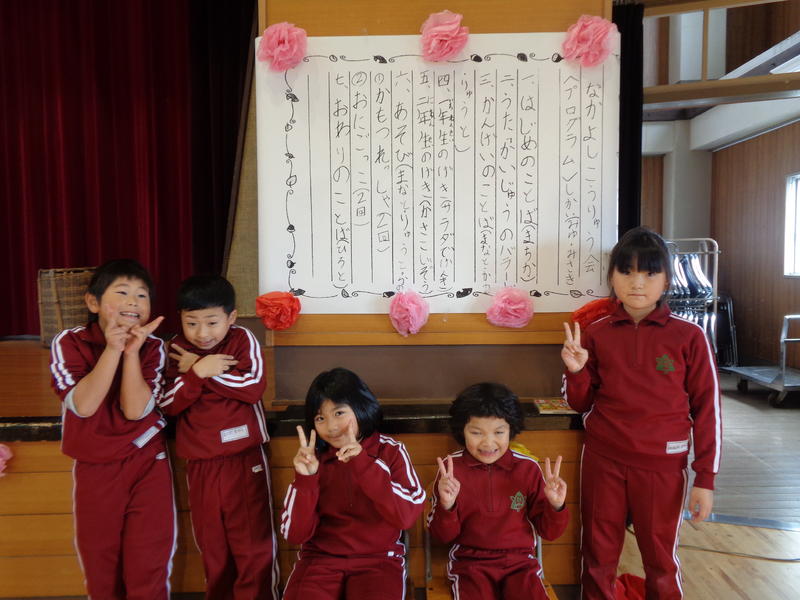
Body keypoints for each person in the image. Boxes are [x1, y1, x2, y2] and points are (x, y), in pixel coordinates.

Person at [561, 226, 721, 600]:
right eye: (627, 271)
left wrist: (706, 478)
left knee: (660, 559)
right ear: (612, 276)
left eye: (650, 273)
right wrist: (576, 370)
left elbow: (708, 410)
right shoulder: (594, 333)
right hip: (604, 458)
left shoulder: (689, 336)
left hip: (662, 464)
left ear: (666, 280)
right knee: (597, 555)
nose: (637, 283)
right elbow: (579, 403)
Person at [49, 259, 176, 599]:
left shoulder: (154, 347)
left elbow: (134, 411)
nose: (133, 302)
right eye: (122, 292)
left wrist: (131, 353)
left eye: (142, 295)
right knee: (101, 570)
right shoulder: (69, 342)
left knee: (148, 566)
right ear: (93, 302)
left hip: (147, 462)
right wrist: (112, 349)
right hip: (95, 467)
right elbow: (84, 405)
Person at [159, 274, 278, 600]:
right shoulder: (176, 349)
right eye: (191, 323)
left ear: (231, 317)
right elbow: (167, 404)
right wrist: (199, 372)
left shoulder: (243, 339)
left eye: (212, 322)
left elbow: (252, 387)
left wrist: (200, 367)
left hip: (244, 459)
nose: (202, 333)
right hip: (201, 464)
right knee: (213, 546)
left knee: (252, 545)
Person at [281, 367, 426, 600]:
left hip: (379, 561)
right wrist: (306, 479)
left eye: (339, 413)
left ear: (361, 408)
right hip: (319, 560)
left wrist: (363, 463)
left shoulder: (390, 451)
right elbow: (295, 534)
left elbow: (406, 516)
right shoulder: (312, 458)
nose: (331, 427)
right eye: (320, 418)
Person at [427, 382, 569, 600]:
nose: (488, 443)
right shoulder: (451, 471)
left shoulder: (528, 468)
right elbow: (442, 536)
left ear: (511, 430)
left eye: (499, 432)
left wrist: (556, 506)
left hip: (520, 564)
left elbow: (549, 532)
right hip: (470, 565)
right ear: (462, 431)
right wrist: (447, 506)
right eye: (476, 433)